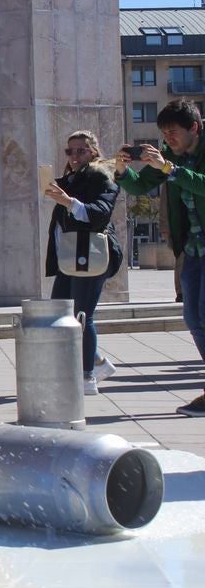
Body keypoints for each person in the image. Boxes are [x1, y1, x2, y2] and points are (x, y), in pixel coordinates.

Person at [115, 99, 205, 416]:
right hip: (193, 248)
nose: (168, 140)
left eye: (174, 132)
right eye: (164, 134)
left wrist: (170, 169)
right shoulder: (170, 157)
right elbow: (140, 188)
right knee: (194, 317)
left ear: (194, 127)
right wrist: (122, 169)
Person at [44, 130, 123, 395]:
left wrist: (68, 202)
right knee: (58, 314)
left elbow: (100, 214)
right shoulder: (70, 179)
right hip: (71, 255)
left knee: (81, 315)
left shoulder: (103, 177)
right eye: (70, 151)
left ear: (94, 152)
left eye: (81, 150)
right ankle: (97, 362)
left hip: (91, 254)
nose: (75, 156)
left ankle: (88, 376)